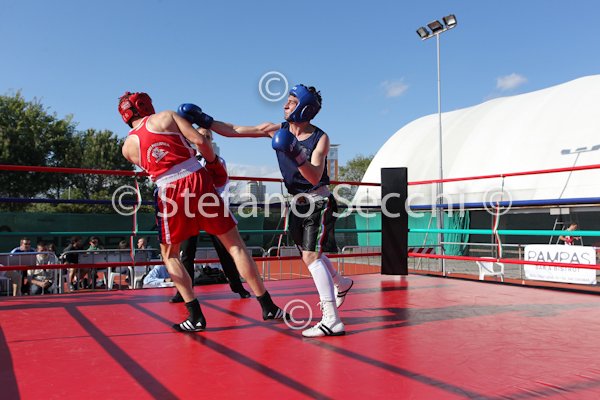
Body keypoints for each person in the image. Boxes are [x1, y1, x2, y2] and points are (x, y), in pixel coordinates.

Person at [181, 84, 353, 337]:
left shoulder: (320, 138)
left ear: (304, 108)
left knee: (311, 257)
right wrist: (204, 119)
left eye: (291, 102)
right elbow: (236, 130)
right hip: (297, 203)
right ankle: (341, 282)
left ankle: (332, 320)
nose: (285, 105)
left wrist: (296, 154)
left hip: (319, 201)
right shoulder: (277, 129)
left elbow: (315, 176)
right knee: (309, 254)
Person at [118, 91, 285, 332]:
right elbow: (200, 141)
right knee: (235, 245)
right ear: (145, 105)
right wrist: (214, 164)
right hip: (197, 178)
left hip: (168, 190)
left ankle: (195, 316)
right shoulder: (166, 116)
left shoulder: (127, 148)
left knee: (171, 255)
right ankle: (267, 305)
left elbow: (156, 165)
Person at [170, 128, 251, 302]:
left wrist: (220, 208)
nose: (204, 139)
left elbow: (223, 186)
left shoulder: (218, 161)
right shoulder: (187, 160)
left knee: (225, 249)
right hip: (190, 209)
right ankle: (183, 291)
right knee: (187, 252)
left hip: (212, 208)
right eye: (201, 136)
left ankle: (237, 285)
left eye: (208, 136)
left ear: (212, 140)